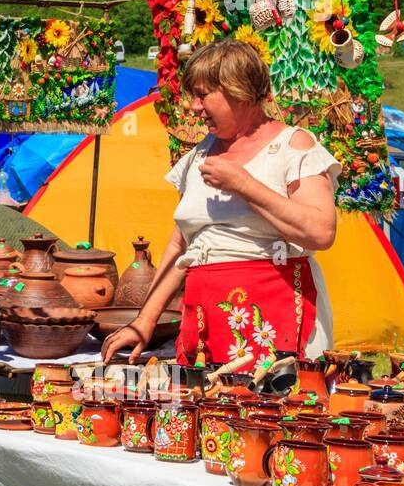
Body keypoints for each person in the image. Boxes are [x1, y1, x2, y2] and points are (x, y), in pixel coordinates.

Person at [102, 40, 340, 371]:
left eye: (203, 95)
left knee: (267, 414)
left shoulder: (293, 146)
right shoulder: (199, 155)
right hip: (206, 314)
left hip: (273, 309)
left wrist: (244, 185)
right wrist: (145, 319)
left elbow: (320, 231)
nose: (195, 107)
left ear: (238, 91)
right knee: (211, 413)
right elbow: (182, 244)